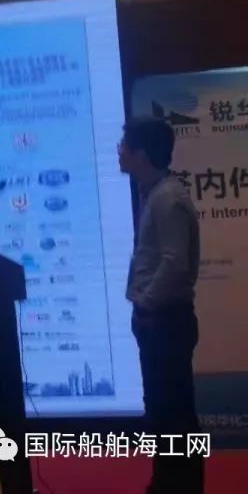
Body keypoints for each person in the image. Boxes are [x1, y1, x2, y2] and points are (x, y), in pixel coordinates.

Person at [119, 117, 203, 494]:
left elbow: (175, 263)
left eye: (125, 145)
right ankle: (168, 483)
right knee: (163, 412)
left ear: (142, 154)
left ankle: (182, 486)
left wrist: (146, 303)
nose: (119, 151)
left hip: (166, 320)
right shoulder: (153, 193)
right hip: (158, 320)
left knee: (175, 416)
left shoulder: (167, 198)